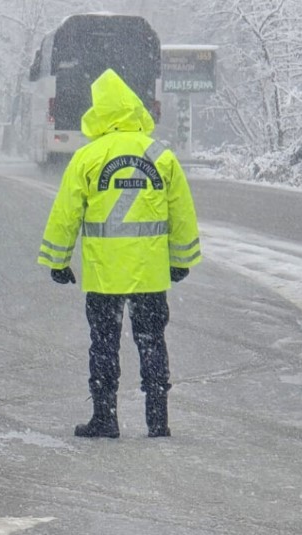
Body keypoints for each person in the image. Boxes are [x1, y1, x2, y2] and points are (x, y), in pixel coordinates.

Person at [38, 69, 202, 439]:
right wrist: (181, 261)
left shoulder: (87, 157)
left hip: (104, 274)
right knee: (152, 342)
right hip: (150, 273)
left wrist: (57, 261)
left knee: (104, 345)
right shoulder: (161, 156)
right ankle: (158, 420)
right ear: (133, 108)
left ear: (100, 111)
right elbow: (181, 213)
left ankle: (105, 418)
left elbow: (67, 213)